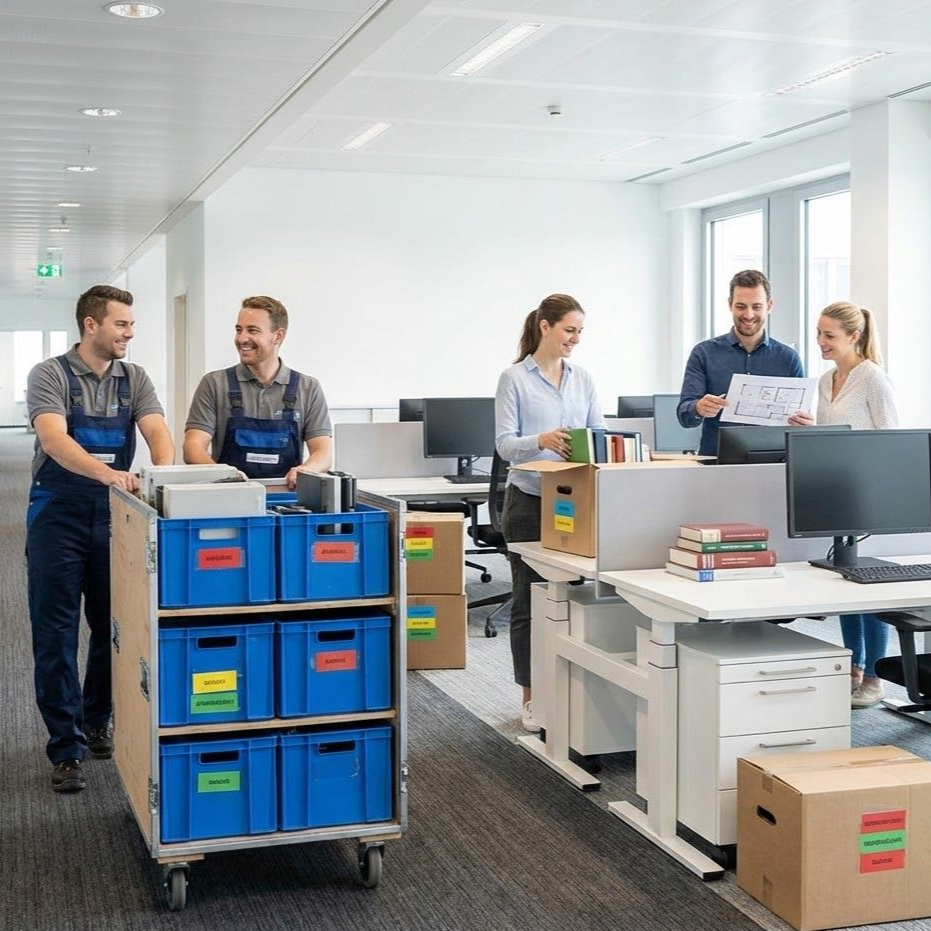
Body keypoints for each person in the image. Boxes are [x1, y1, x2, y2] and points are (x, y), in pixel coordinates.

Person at [26, 285, 174, 793]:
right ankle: (65, 748)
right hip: (58, 513)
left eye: (131, 324)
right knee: (56, 632)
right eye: (122, 324)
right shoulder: (50, 374)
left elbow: (156, 431)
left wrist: (169, 478)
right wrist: (105, 474)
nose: (130, 333)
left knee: (115, 625)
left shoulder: (136, 379)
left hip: (115, 513)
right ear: (92, 325)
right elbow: (54, 439)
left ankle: (96, 719)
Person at [495, 294, 605, 732]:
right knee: (529, 601)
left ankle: (570, 692)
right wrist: (541, 439)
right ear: (545, 327)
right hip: (527, 501)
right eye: (569, 330)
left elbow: (596, 431)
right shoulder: (514, 378)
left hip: (572, 502)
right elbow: (505, 444)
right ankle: (532, 697)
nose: (575, 339)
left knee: (572, 598)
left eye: (580, 332)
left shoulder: (583, 379)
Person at [801, 301, 898, 708]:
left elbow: (891, 438)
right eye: (819, 333)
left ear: (853, 336)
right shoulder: (825, 380)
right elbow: (832, 434)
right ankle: (853, 668)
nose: (821, 342)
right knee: (843, 584)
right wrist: (810, 429)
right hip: (834, 493)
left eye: (829, 335)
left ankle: (875, 675)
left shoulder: (873, 378)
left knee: (868, 588)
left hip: (866, 494)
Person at [183, 295, 332, 488]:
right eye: (239, 330)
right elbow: (192, 448)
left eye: (252, 330)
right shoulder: (215, 384)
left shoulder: (308, 388)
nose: (242, 338)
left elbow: (323, 452)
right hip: (228, 498)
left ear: (278, 336)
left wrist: (306, 470)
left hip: (289, 504)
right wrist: (226, 477)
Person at [677, 269, 807, 456]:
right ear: (730, 305)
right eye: (741, 306)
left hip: (772, 462)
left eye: (756, 307)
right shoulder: (704, 353)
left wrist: (804, 423)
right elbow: (684, 416)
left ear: (769, 306)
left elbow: (799, 418)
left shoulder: (788, 358)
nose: (748, 314)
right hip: (716, 463)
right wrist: (698, 408)